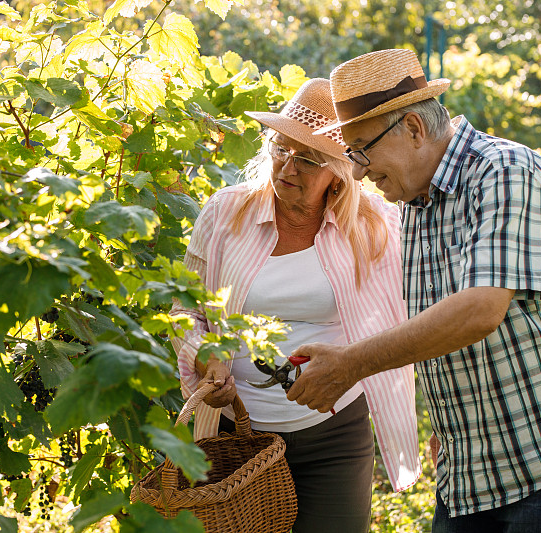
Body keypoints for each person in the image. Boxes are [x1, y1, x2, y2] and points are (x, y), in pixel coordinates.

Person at [289, 49, 541, 532]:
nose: (357, 171)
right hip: (472, 467)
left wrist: (351, 364)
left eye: (362, 149)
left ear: (413, 128)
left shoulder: (505, 172)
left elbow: (479, 310)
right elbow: (441, 323)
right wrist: (452, 425)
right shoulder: (414, 202)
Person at [169, 78, 421, 533]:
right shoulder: (226, 214)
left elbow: (415, 312)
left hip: (334, 434)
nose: (288, 165)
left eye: (307, 158)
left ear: (339, 173)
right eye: (281, 148)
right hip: (237, 435)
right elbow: (186, 307)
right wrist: (206, 356)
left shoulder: (374, 226)